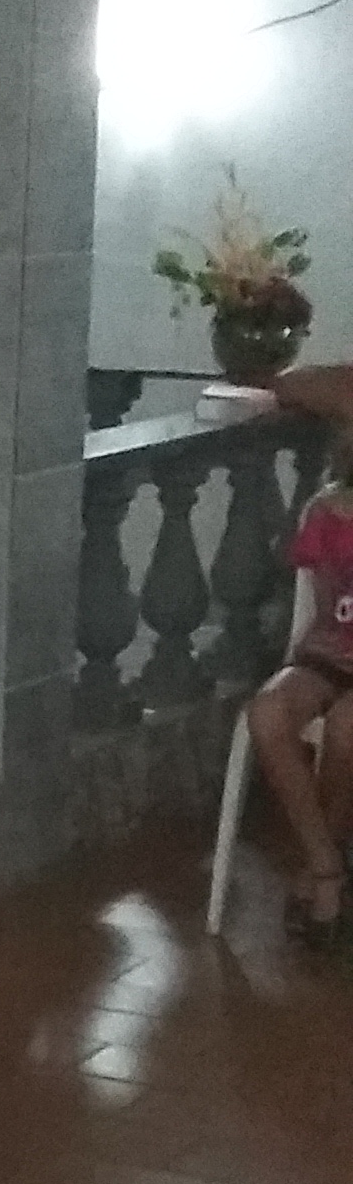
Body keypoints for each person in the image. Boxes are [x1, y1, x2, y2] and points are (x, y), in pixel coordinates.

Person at [246, 363, 353, 942]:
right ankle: (326, 862)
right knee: (267, 712)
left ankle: (324, 870)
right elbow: (324, 606)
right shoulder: (326, 510)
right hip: (327, 653)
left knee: (347, 729)